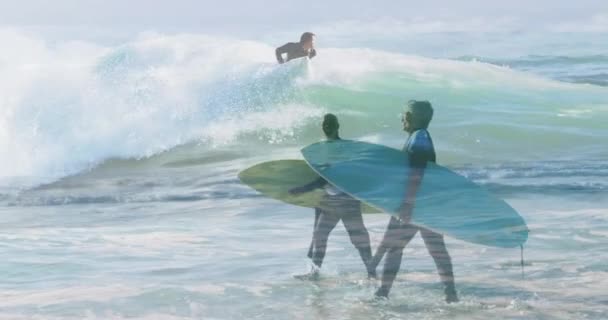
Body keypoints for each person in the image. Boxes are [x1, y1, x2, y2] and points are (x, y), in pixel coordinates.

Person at [372, 100, 458, 303]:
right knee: (437, 249)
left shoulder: (420, 138)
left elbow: (417, 173)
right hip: (428, 202)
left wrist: (409, 203)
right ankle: (451, 294)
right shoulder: (418, 136)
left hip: (419, 204)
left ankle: (383, 293)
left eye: (404, 114)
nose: (402, 118)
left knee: (397, 247)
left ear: (410, 117)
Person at [289, 113, 375, 279]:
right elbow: (325, 178)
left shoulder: (339, 149)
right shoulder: (324, 148)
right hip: (332, 200)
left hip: (346, 200)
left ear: (337, 126)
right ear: (322, 127)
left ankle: (372, 273)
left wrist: (303, 189)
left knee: (357, 238)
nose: (327, 127)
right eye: (325, 124)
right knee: (320, 236)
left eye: (330, 124)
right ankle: (314, 273)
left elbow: (325, 178)